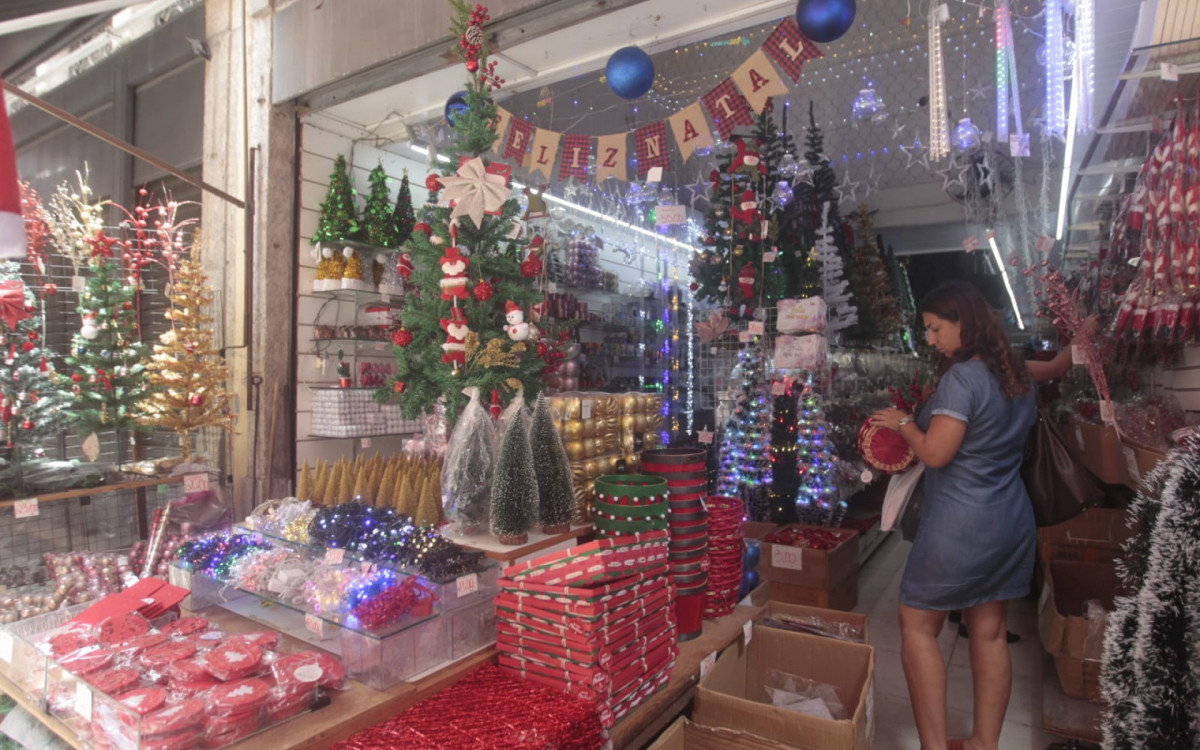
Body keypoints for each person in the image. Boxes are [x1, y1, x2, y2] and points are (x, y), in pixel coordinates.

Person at [870, 281, 1091, 750]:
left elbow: (936, 453)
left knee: (917, 624)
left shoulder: (962, 379)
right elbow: (1055, 366)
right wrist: (1087, 334)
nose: (930, 340)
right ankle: (984, 743)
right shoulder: (1014, 372)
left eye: (935, 329)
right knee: (988, 633)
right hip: (1010, 517)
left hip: (960, 524)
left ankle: (933, 746)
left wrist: (903, 423)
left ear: (964, 323)